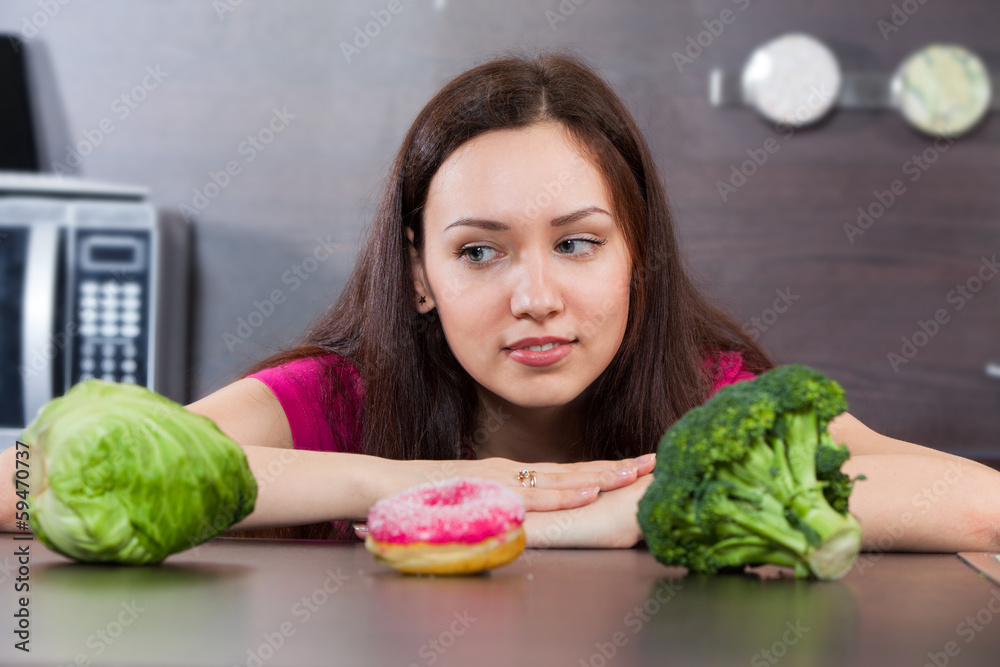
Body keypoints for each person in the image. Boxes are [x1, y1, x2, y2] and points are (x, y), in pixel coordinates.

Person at [2, 52, 998, 553]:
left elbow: (981, 503)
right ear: (422, 272)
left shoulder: (714, 399)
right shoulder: (329, 402)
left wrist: (633, 510)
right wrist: (403, 490)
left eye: (576, 243)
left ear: (635, 256)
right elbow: (21, 475)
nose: (535, 297)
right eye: (479, 251)